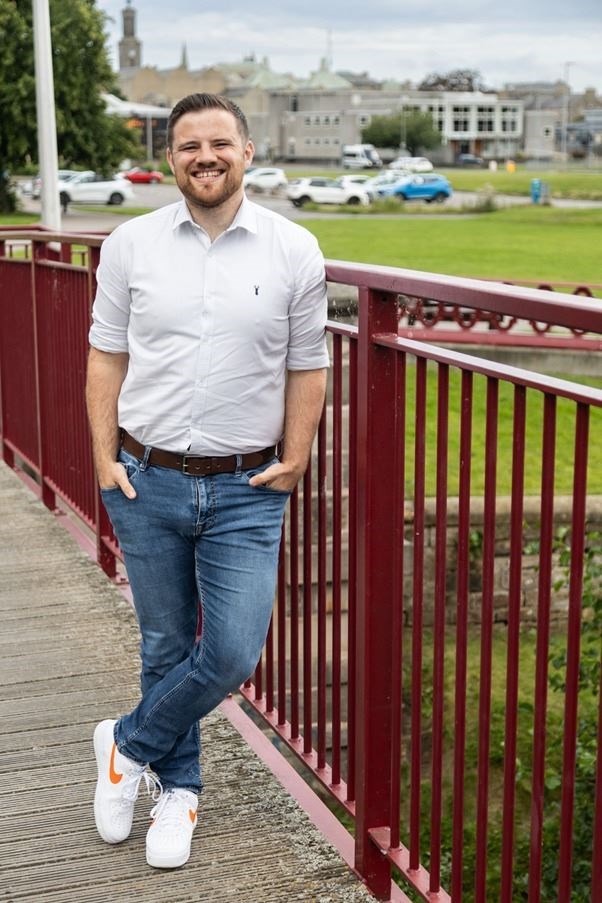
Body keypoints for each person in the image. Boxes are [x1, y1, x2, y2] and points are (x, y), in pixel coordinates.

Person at [86, 93, 329, 869]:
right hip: (145, 475)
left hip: (246, 488)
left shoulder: (293, 249)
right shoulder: (130, 244)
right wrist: (99, 457)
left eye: (219, 141)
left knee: (230, 652)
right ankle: (179, 791)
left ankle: (125, 742)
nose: (205, 156)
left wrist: (295, 456)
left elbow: (307, 363)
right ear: (172, 159)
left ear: (247, 152)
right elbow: (106, 356)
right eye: (188, 144)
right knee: (163, 643)